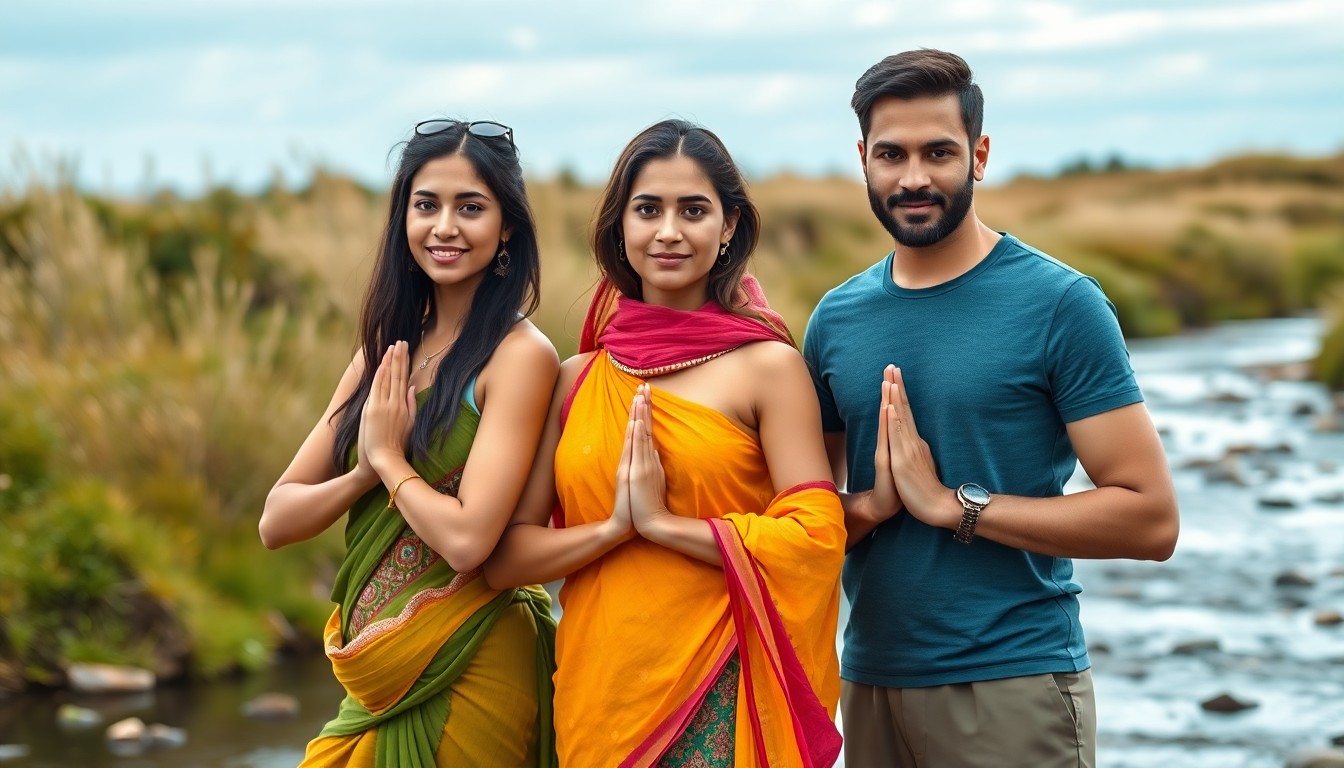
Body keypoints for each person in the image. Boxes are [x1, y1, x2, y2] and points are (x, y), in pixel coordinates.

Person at [802, 50, 1180, 767]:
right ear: (863, 161)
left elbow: (1151, 518)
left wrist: (957, 506)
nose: (913, 177)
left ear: (979, 155)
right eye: (891, 154)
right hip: (870, 683)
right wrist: (875, 505)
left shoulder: (1061, 305)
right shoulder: (835, 319)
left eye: (938, 152)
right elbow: (807, 521)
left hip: (1014, 682)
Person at [484, 119, 845, 767]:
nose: (669, 231)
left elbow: (817, 536)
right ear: (620, 225)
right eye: (648, 209)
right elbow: (508, 558)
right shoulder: (576, 380)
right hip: (600, 697)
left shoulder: (767, 369)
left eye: (694, 210)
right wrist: (615, 529)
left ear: (730, 224)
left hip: (721, 687)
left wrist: (666, 526)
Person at [258, 118, 560, 767]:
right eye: (426, 205)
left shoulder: (519, 357)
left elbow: (468, 539)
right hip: (375, 681)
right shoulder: (384, 354)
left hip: (473, 660)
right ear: (404, 219)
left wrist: (392, 461)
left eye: (470, 207)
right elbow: (276, 519)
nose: (444, 226)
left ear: (506, 226)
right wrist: (364, 473)